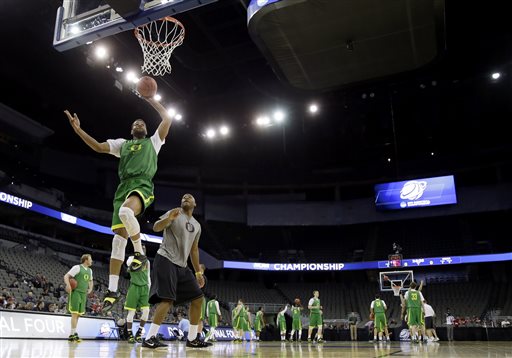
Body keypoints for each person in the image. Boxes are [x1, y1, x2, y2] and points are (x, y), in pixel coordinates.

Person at [64, 94, 173, 312]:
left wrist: (150, 98)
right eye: (135, 123)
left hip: (142, 185)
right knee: (117, 241)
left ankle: (139, 253)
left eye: (142, 122)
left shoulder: (153, 141)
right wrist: (78, 130)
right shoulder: (122, 144)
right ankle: (112, 290)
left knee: (125, 212)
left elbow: (167, 118)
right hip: (122, 188)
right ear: (132, 130)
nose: (139, 123)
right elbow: (97, 146)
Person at [142, 194, 208, 349]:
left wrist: (198, 272)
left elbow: (194, 249)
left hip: (182, 266)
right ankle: (150, 337)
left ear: (195, 204)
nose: (186, 197)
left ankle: (192, 339)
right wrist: (168, 219)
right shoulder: (174, 212)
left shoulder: (197, 226)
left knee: (198, 298)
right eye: (184, 197)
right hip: (165, 259)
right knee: (167, 299)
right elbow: (156, 227)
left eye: (190, 197)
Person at [123, 245, 150, 343]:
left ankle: (139, 333)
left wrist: (149, 287)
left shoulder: (147, 262)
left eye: (144, 248)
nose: (144, 249)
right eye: (141, 248)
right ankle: (130, 334)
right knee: (131, 312)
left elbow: (148, 276)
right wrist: (138, 256)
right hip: (134, 287)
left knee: (146, 311)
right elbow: (129, 264)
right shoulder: (131, 259)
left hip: (145, 287)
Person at [64, 254, 93, 342]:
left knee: (79, 315)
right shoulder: (77, 267)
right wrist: (68, 285)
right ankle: (71, 335)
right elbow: (66, 276)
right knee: (74, 314)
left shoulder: (90, 270)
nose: (91, 261)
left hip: (83, 294)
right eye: (90, 259)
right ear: (86, 260)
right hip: (76, 292)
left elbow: (91, 281)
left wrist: (90, 288)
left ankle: (74, 332)